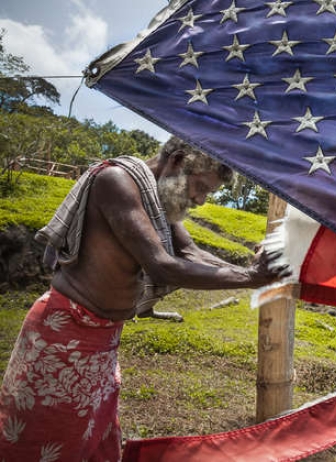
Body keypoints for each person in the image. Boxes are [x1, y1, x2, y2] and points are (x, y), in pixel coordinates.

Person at [0, 137, 290, 461]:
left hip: (103, 340)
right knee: (44, 442)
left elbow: (190, 252)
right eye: (201, 187)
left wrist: (249, 270)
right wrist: (252, 278)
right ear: (178, 161)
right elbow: (161, 265)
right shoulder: (117, 182)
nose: (200, 200)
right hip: (65, 333)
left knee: (89, 442)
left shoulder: (159, 199)